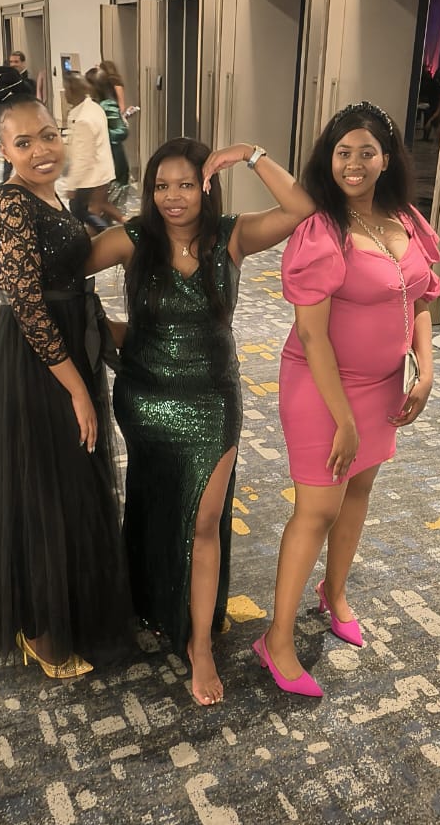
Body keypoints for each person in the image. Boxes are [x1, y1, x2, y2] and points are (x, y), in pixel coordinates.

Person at [86, 137, 316, 705]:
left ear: (205, 187)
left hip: (213, 402)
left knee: (205, 520)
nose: (173, 197)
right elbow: (63, 274)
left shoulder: (230, 236)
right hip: (145, 400)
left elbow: (301, 208)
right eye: (161, 186)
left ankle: (201, 645)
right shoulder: (133, 239)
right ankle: (153, 601)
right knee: (155, 502)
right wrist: (99, 330)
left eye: (186, 184)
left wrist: (248, 154)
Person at [253, 102, 440, 699]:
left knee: (358, 491)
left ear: (387, 159)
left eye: (366, 152)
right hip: (321, 387)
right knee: (316, 510)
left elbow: (421, 297)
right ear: (327, 160)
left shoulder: (406, 219)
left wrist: (425, 369)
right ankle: (276, 638)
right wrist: (344, 420)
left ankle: (332, 593)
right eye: (342, 153)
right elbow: (312, 336)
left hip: (384, 384)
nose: (353, 164)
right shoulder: (322, 230)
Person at [0, 81, 132, 678]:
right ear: (4, 148)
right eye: (24, 143)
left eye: (49, 136)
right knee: (44, 487)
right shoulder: (11, 205)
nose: (41, 151)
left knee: (68, 479)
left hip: (67, 345)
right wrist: (78, 389)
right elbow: (29, 306)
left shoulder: (51, 195)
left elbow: (69, 271)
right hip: (39, 359)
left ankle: (65, 611)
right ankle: (42, 629)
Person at [64, 73, 124, 229]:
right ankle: (130, 229)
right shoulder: (94, 108)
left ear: (72, 91)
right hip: (103, 171)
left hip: (91, 176)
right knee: (101, 206)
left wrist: (71, 185)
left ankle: (106, 234)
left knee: (79, 210)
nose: (64, 94)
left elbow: (84, 157)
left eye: (66, 89)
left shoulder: (83, 120)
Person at [86, 67, 130, 193]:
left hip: (112, 163)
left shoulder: (107, 105)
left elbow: (122, 131)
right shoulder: (93, 104)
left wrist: (100, 134)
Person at [99, 59, 131, 190]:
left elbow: (121, 107)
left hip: (113, 123)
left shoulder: (115, 85)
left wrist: (119, 115)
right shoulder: (105, 88)